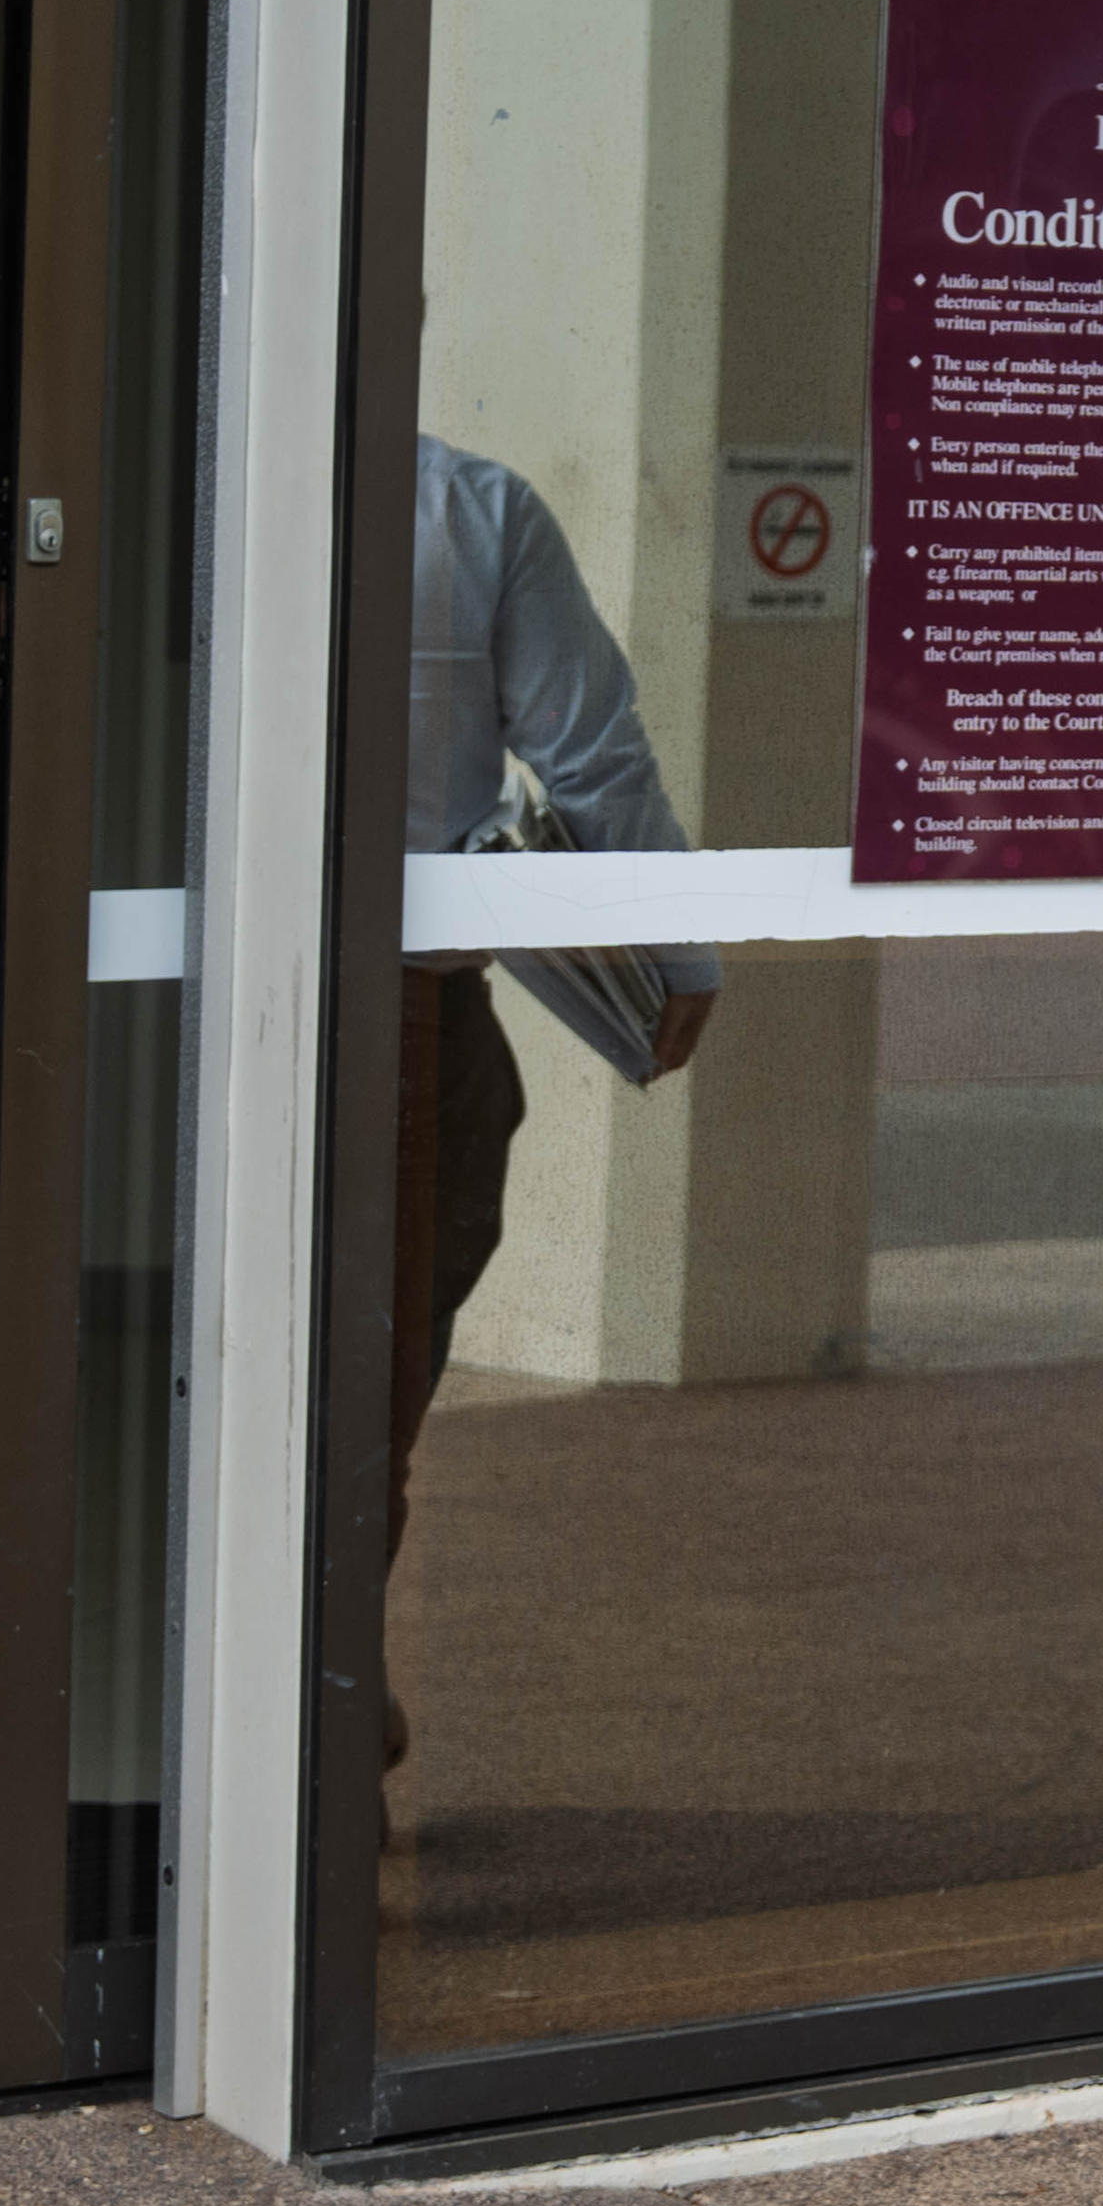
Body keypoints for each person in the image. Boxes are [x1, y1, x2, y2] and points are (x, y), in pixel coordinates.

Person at [394, 438, 721, 1759]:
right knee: (369, 1385)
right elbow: (590, 759)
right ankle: (319, 1709)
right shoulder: (470, 511)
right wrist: (680, 954)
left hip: (183, 1020)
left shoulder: (167, 493)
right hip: (409, 1024)